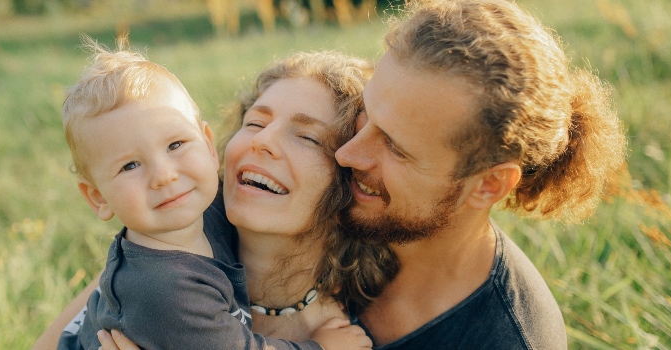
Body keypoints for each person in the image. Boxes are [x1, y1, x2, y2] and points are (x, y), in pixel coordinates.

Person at [32, 47, 397, 349]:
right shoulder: (165, 259)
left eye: (307, 137)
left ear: (351, 182)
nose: (262, 140)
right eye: (254, 122)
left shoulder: (370, 312)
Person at [334, 0, 627, 348]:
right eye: (366, 111)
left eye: (396, 148)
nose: (345, 154)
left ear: (489, 185)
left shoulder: (508, 339)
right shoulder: (326, 203)